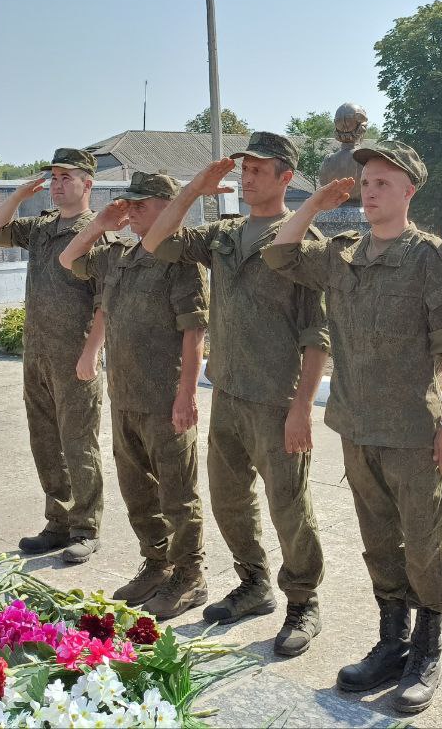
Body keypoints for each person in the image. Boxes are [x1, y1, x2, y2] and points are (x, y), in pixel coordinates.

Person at [263, 141, 442, 716]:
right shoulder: (339, 254)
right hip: (357, 427)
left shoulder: (430, 256)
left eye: (384, 181)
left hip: (413, 430)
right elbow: (280, 254)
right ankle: (392, 642)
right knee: (379, 541)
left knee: (425, 545)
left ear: (409, 190)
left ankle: (427, 650)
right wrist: (312, 204)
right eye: (366, 181)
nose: (370, 189)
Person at [141, 131, 330, 657]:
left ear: (286, 177)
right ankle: (253, 584)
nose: (247, 179)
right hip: (227, 392)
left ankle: (303, 602)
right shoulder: (223, 234)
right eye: (243, 170)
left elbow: (318, 335)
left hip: (276, 398)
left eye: (259, 170)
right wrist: (194, 189)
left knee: (288, 506)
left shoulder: (302, 243)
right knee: (229, 501)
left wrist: (302, 409)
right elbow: (156, 241)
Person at [58, 172, 211, 620]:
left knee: (178, 496)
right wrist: (100, 223)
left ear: (168, 205)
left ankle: (190, 577)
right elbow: (69, 259)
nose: (133, 210)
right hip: (125, 396)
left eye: (142, 204)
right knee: (137, 492)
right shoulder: (117, 256)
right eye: (130, 203)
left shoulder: (179, 259)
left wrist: (187, 395)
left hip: (165, 399)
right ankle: (157, 564)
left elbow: (194, 332)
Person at [0, 148, 106, 564]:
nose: (56, 185)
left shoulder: (98, 231)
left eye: (66, 178)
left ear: (88, 183)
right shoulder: (42, 227)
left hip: (76, 356)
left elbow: (106, 300)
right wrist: (19, 195)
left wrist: (92, 353)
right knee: (45, 442)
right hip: (37, 354)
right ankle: (58, 522)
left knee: (79, 443)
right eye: (53, 178)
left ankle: (86, 527)